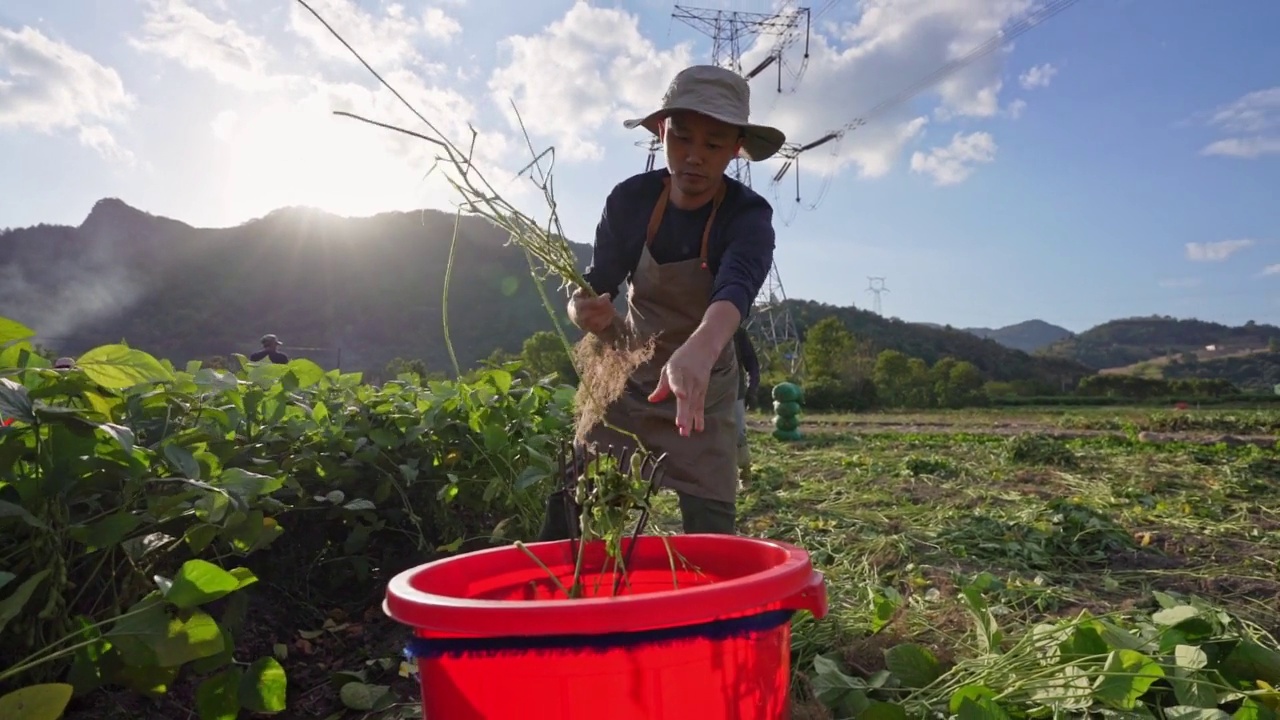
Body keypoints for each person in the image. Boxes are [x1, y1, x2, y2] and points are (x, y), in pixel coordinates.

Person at [537, 64, 783, 539]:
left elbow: (737, 286)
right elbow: (597, 283)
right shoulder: (630, 200)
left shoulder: (748, 215)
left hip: (703, 391)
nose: (693, 157)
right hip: (629, 378)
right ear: (660, 132)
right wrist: (582, 309)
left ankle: (709, 608)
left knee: (711, 528)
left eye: (713, 145)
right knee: (574, 500)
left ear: (736, 149)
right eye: (681, 138)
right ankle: (551, 596)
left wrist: (701, 349)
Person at [733, 326, 760, 475]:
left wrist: (752, 390)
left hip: (734, 391)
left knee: (738, 434)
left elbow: (752, 364)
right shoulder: (694, 323)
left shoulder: (737, 331)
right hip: (704, 393)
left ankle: (744, 473)